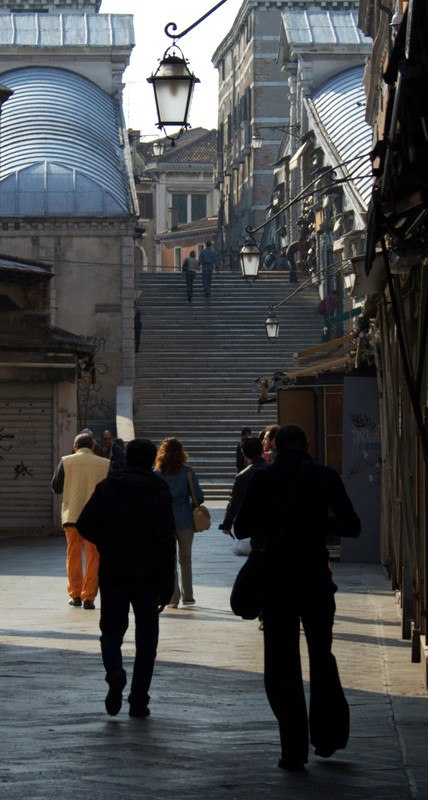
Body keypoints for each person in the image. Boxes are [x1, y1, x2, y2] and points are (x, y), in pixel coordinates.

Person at [234, 424, 361, 772]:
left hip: (276, 583)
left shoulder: (262, 478)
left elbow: (242, 527)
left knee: (281, 663)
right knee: (322, 655)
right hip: (316, 579)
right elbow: (353, 526)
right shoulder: (324, 476)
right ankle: (327, 735)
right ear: (305, 445)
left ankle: (293, 749)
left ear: (276, 447)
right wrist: (318, 521)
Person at [76, 439, 176, 718]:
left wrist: (108, 541)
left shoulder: (108, 488)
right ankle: (139, 700)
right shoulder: (159, 490)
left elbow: (85, 523)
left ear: (127, 459)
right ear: (151, 460)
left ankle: (115, 673)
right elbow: (167, 541)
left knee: (110, 632)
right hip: (148, 576)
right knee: (147, 640)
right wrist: (167, 584)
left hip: (113, 571)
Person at [51, 432, 110, 609]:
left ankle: (75, 594)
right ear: (93, 447)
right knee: (94, 557)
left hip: (72, 516)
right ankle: (88, 597)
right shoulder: (105, 464)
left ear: (75, 447)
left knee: (73, 555)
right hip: (95, 519)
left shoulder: (66, 461)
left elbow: (56, 488)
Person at [154, 437, 204, 608]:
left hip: (164, 521)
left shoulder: (157, 474)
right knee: (186, 558)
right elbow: (199, 496)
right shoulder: (187, 472)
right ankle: (188, 596)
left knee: (170, 560)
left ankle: (173, 598)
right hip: (184, 519)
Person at [220, 436, 266, 537]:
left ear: (244, 455)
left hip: (251, 522)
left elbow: (234, 502)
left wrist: (226, 524)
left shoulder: (242, 476)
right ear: (262, 449)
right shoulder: (273, 469)